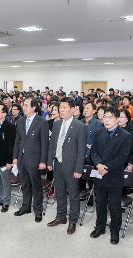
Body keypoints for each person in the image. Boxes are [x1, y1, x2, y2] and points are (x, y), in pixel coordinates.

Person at [90, 106, 132, 245]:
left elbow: (123, 157)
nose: (106, 120)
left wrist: (106, 167)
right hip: (99, 174)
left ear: (117, 119)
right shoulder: (98, 132)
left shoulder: (125, 135)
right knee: (100, 203)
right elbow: (93, 152)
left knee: (114, 207)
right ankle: (100, 227)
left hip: (114, 176)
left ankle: (114, 231)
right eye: (105, 117)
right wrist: (98, 165)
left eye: (110, 117)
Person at [47, 97, 86, 235]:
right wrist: (49, 161)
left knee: (73, 195)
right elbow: (52, 144)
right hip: (57, 164)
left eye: (64, 108)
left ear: (72, 109)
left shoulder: (80, 126)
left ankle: (73, 221)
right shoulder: (57, 124)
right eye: (60, 108)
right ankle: (61, 217)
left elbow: (82, 150)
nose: (60, 110)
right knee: (60, 192)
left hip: (72, 166)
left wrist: (78, 169)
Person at [13, 97, 49, 222]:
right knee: (25, 184)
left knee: (36, 186)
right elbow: (17, 141)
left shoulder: (42, 122)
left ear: (34, 107)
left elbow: (45, 144)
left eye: (27, 105)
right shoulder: (21, 121)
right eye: (23, 105)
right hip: (22, 159)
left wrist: (43, 161)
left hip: (35, 159)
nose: (24, 107)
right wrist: (15, 158)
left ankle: (37, 211)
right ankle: (25, 207)